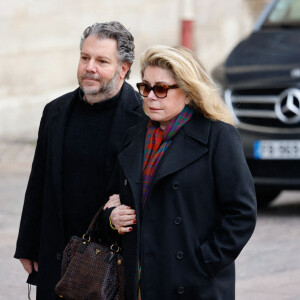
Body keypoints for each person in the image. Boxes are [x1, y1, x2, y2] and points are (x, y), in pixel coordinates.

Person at [99, 45, 257, 300]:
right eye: (145, 87)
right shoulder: (134, 136)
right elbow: (111, 197)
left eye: (161, 89)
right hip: (140, 283)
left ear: (188, 92)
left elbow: (242, 213)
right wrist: (111, 217)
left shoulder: (218, 136)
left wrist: (204, 261)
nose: (150, 96)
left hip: (196, 285)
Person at [14, 21, 144, 300]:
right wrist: (28, 245)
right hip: (57, 253)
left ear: (123, 68)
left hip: (112, 262)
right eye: (85, 57)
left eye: (101, 61)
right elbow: (39, 181)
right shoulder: (56, 112)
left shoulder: (143, 119)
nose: (89, 67)